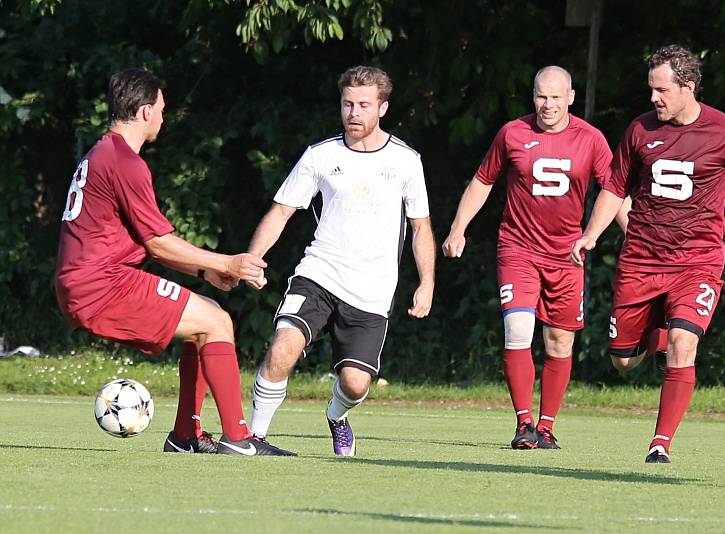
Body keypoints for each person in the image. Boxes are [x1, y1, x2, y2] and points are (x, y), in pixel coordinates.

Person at [55, 67, 294, 456]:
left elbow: (151, 244)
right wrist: (228, 263)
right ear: (146, 111)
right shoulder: (124, 162)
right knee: (217, 322)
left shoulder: (104, 153)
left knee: (209, 316)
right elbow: (160, 245)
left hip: (90, 280)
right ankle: (238, 439)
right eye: (163, 109)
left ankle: (185, 436)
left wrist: (206, 270)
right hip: (101, 283)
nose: (164, 116)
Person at [571, 45, 725, 463]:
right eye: (651, 89)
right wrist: (591, 234)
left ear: (688, 88)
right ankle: (658, 334)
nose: (653, 98)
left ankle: (660, 444)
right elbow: (615, 189)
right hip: (641, 260)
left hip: (697, 262)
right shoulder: (639, 130)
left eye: (662, 90)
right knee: (623, 363)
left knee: (684, 345)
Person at [246, 65, 435, 456]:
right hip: (318, 275)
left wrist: (427, 282)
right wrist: (251, 259)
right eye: (348, 104)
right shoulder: (320, 155)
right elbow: (282, 212)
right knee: (283, 347)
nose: (354, 113)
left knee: (355, 384)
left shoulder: (406, 161)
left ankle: (337, 416)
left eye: (364, 105)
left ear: (382, 108)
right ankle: (253, 438)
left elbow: (420, 227)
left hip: (372, 290)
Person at [442, 66, 612, 450]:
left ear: (570, 97)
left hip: (567, 254)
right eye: (540, 96)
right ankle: (523, 424)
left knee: (559, 342)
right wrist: (458, 228)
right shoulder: (512, 132)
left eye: (555, 97)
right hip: (518, 248)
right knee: (518, 330)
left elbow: (613, 190)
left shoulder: (591, 139)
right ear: (532, 95)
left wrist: (625, 235)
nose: (547, 105)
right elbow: (483, 181)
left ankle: (547, 426)